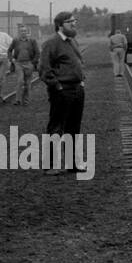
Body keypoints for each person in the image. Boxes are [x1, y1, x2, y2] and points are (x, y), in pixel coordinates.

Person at [39, 12, 88, 175]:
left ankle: (72, 164)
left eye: (75, 21)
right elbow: (44, 70)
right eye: (70, 22)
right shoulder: (51, 44)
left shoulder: (72, 41)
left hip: (77, 89)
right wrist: (57, 86)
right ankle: (50, 165)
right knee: (56, 127)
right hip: (62, 90)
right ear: (60, 25)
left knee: (73, 127)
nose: (74, 24)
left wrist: (81, 82)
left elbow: (79, 62)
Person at [7, 27, 40, 105]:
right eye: (22, 31)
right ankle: (17, 100)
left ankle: (25, 101)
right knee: (20, 81)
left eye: (25, 31)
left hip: (29, 64)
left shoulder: (32, 41)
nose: (23, 32)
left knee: (27, 83)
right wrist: (12, 59)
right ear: (20, 32)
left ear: (27, 32)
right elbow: (9, 50)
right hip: (18, 64)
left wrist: (33, 63)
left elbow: (37, 53)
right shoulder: (15, 41)